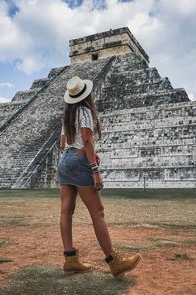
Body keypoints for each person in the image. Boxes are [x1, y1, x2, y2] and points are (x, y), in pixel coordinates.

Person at [58, 76, 142, 278]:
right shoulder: (85, 111)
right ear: (86, 94)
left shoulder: (67, 115)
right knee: (98, 213)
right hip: (79, 161)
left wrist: (79, 153)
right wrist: (94, 169)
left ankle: (70, 259)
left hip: (65, 160)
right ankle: (114, 261)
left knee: (66, 212)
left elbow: (63, 144)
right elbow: (86, 140)